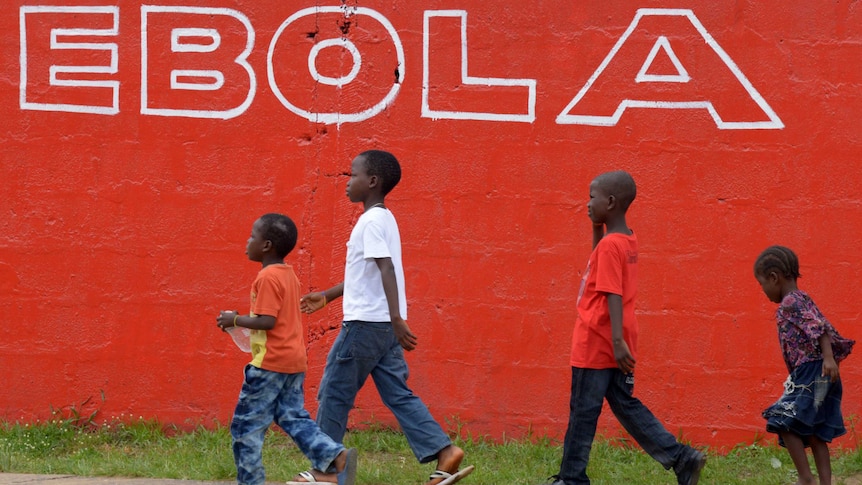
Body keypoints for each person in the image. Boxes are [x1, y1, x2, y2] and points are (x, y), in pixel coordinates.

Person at [299, 150, 468, 485]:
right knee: (397, 393)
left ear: (372, 181)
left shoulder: (371, 222)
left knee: (333, 391)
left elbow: (386, 268)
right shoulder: (385, 219)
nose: (347, 182)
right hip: (382, 328)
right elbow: (368, 274)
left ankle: (327, 470)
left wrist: (396, 318)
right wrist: (328, 296)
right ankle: (445, 452)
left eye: (353, 175)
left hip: (366, 325)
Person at [541, 171, 706, 485]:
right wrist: (595, 228)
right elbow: (600, 262)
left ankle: (571, 478)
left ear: (611, 202)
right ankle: (681, 458)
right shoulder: (626, 239)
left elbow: (611, 291)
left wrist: (615, 340)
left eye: (592, 197)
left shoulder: (610, 247)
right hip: (617, 337)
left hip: (597, 339)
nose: (587, 203)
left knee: (583, 412)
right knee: (625, 405)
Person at [215, 213, 357, 485]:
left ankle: (250, 481)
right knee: (292, 417)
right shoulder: (289, 275)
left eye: (252, 236)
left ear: (266, 245)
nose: (248, 241)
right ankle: (336, 457)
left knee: (246, 428)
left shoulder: (267, 277)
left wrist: (233, 320)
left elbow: (267, 321)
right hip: (294, 363)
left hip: (270, 364)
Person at [753, 245, 855, 485]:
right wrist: (828, 361)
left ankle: (805, 478)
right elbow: (820, 326)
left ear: (774, 278)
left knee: (781, 419)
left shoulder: (790, 303)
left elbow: (818, 328)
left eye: (761, 284)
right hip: (819, 372)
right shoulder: (802, 298)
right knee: (816, 432)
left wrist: (829, 358)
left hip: (811, 372)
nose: (763, 291)